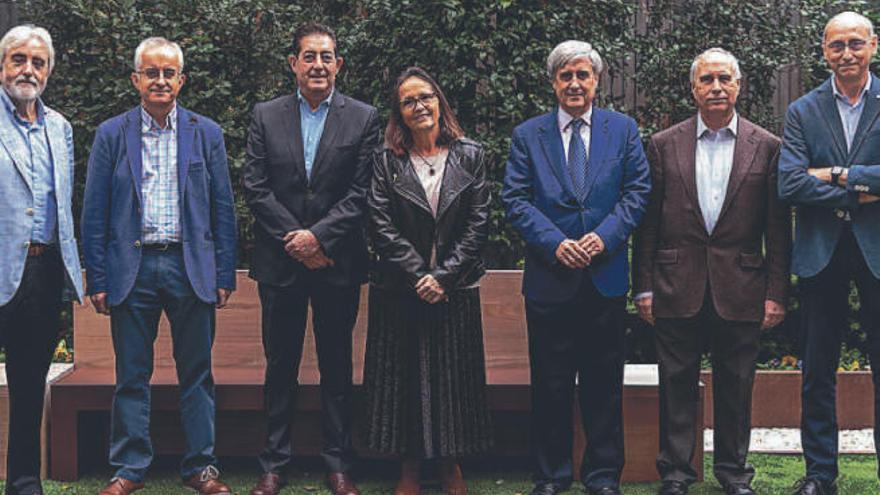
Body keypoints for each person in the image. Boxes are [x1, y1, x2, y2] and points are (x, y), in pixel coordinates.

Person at [81, 36, 237, 495]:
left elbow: (222, 208)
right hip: (134, 268)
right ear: (136, 79)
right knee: (131, 376)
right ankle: (128, 469)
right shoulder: (112, 134)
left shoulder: (205, 132)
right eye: (152, 72)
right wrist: (98, 277)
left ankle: (201, 468)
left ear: (182, 80)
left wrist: (224, 273)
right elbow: (94, 211)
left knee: (198, 375)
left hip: (191, 268)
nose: (161, 80)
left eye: (169, 73)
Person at [633, 48, 790, 495]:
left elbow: (779, 229)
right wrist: (642, 288)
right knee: (675, 383)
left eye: (725, 78)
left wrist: (777, 292)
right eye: (707, 80)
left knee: (737, 386)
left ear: (738, 85)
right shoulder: (663, 144)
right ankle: (677, 474)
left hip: (741, 285)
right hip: (674, 284)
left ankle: (734, 474)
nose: (716, 87)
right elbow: (647, 224)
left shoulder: (768, 146)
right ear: (693, 88)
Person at [501, 40, 651, 495]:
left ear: (596, 80)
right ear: (553, 82)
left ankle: (602, 476)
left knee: (603, 384)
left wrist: (603, 238)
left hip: (603, 279)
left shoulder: (622, 131)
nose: (574, 84)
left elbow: (637, 192)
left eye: (582, 75)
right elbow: (515, 200)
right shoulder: (529, 135)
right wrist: (556, 243)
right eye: (565, 76)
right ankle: (551, 476)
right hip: (551, 279)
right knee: (551, 384)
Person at [243, 22, 380, 495]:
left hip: (336, 263)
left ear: (339, 64)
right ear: (293, 64)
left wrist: (319, 239)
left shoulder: (363, 118)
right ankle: (274, 464)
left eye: (327, 56)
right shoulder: (265, 115)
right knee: (279, 365)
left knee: (337, 365)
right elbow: (255, 187)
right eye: (309, 56)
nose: (318, 64)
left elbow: (362, 192)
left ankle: (339, 464)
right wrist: (295, 239)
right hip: (280, 264)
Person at [364, 66, 492, 495]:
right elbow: (379, 224)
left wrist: (443, 276)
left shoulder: (470, 155)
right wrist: (419, 274)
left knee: (453, 380)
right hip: (401, 289)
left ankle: (451, 465)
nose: (419, 106)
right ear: (398, 114)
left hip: (455, 289)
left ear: (439, 102)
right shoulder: (385, 160)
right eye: (408, 101)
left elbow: (478, 224)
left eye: (426, 97)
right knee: (404, 380)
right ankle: (411, 468)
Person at [778, 11, 880, 495]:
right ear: (824, 51)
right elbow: (791, 182)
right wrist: (860, 185)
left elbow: (814, 179)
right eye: (837, 45)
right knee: (817, 369)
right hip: (821, 252)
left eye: (856, 43)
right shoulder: (802, 110)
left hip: (877, 251)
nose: (847, 54)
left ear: (873, 46)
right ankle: (821, 475)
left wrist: (834, 174)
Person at [0, 24, 84, 495]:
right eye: (18, 59)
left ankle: (24, 485)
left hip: (43, 272)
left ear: (48, 70)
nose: (27, 69)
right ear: (2, 66)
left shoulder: (61, 128)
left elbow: (62, 205)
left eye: (37, 62)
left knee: (30, 387)